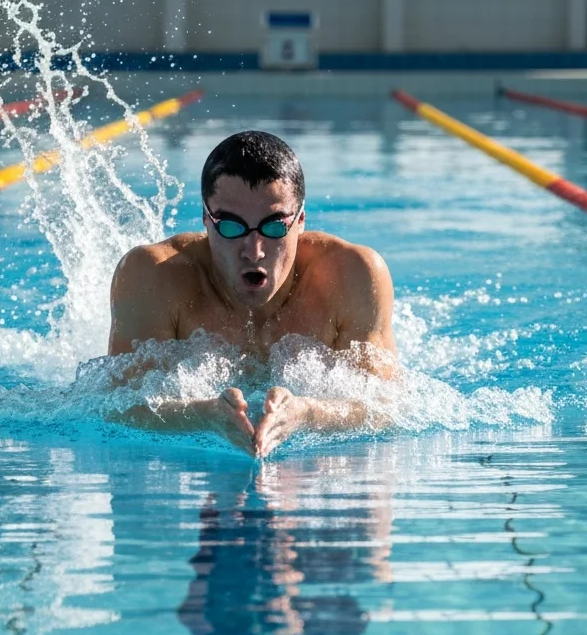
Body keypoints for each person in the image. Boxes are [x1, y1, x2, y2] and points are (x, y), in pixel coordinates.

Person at [108, 130, 397, 457]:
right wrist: (204, 416)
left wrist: (307, 414)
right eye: (231, 226)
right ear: (206, 219)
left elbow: (387, 405)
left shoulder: (353, 275)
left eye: (274, 226)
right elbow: (118, 407)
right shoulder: (153, 277)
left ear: (300, 220)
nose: (254, 251)